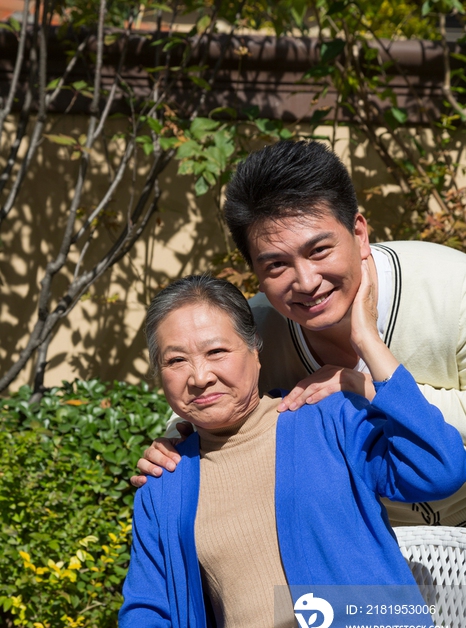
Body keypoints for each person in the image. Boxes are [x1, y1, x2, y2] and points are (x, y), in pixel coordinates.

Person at [112, 273, 465, 628]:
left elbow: (439, 468)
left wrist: (366, 359)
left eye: (217, 351)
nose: (199, 376)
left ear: (254, 352)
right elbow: (144, 619)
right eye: (175, 361)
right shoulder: (164, 485)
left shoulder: (325, 420)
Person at [135, 140, 466, 528]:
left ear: (359, 233)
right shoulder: (254, 331)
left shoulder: (452, 287)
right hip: (356, 561)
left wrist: (363, 389)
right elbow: (204, 397)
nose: (307, 282)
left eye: (319, 250)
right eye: (276, 265)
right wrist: (174, 442)